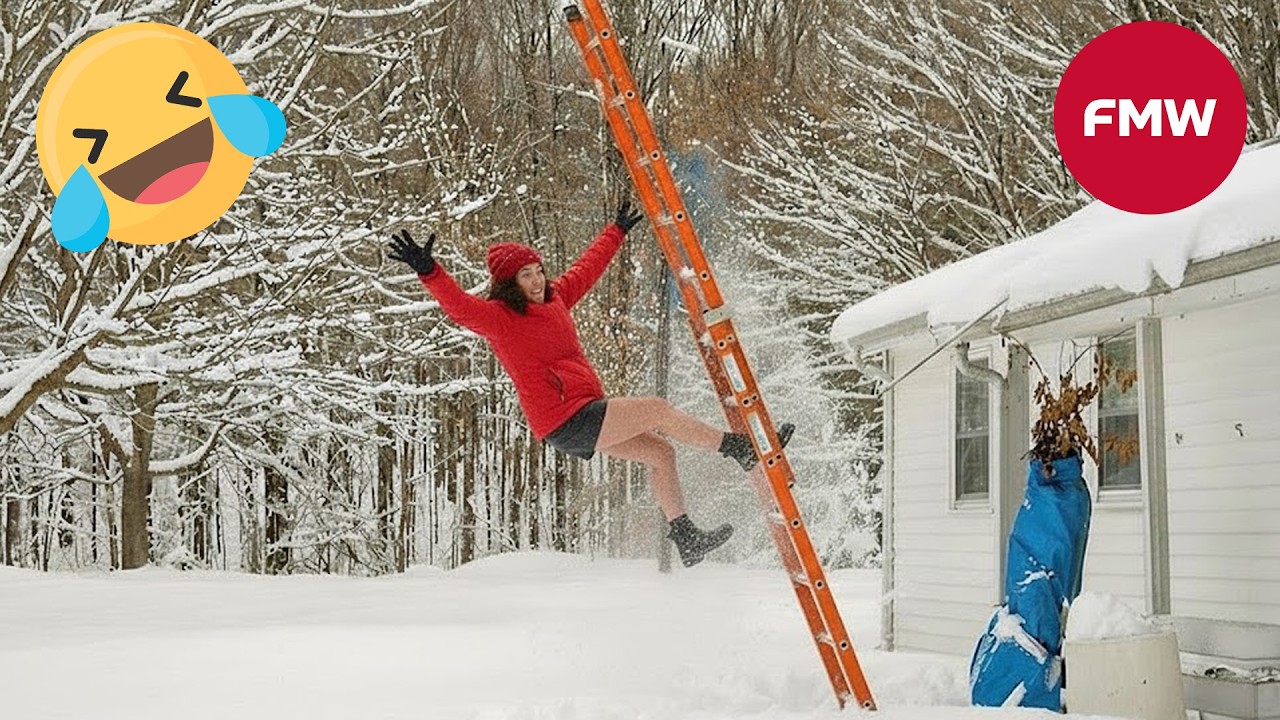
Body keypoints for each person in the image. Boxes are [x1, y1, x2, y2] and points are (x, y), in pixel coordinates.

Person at [388, 199, 792, 567]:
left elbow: (586, 269)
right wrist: (429, 272)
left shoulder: (556, 299)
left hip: (582, 413)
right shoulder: (501, 318)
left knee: (661, 453)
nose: (537, 280)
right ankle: (740, 449)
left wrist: (615, 231)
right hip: (565, 417)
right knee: (657, 409)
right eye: (526, 275)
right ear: (510, 284)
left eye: (539, 271)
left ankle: (686, 536)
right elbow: (460, 308)